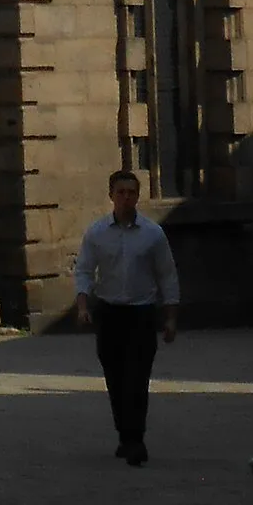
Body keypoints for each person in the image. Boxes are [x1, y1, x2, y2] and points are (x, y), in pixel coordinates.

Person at [74, 168, 179, 464]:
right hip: (109, 313)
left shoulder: (153, 234)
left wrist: (170, 318)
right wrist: (82, 307)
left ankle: (135, 439)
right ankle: (125, 433)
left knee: (137, 377)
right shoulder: (96, 233)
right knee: (116, 378)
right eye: (121, 192)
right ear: (111, 195)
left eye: (131, 192)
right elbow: (83, 270)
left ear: (138, 196)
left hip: (142, 313)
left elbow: (167, 275)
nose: (126, 198)